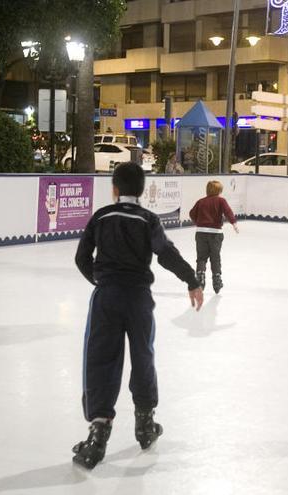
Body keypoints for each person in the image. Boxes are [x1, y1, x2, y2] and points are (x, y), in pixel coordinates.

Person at [72, 162, 204, 470]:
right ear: (142, 191)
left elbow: (81, 258)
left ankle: (97, 437)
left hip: (108, 298)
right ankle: (145, 426)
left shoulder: (101, 217)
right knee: (143, 356)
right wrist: (192, 280)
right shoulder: (148, 219)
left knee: (101, 359)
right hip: (139, 300)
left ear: (115, 189)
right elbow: (167, 253)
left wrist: (101, 281)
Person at [189, 181, 239, 293]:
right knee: (215, 256)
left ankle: (200, 277)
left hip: (201, 232)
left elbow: (192, 213)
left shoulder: (201, 201)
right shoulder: (221, 201)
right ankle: (217, 279)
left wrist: (198, 222)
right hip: (216, 233)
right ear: (218, 191)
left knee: (201, 257)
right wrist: (234, 223)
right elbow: (228, 212)